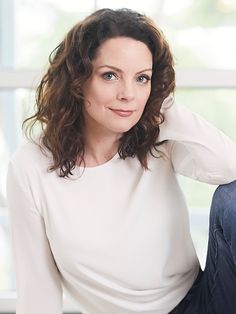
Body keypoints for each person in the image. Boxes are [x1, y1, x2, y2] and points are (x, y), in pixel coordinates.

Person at [6, 8, 236, 314]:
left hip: (204, 302)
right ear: (78, 79)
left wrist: (162, 107)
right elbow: (38, 292)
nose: (128, 93)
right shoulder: (31, 167)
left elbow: (228, 167)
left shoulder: (157, 136)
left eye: (142, 78)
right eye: (110, 75)